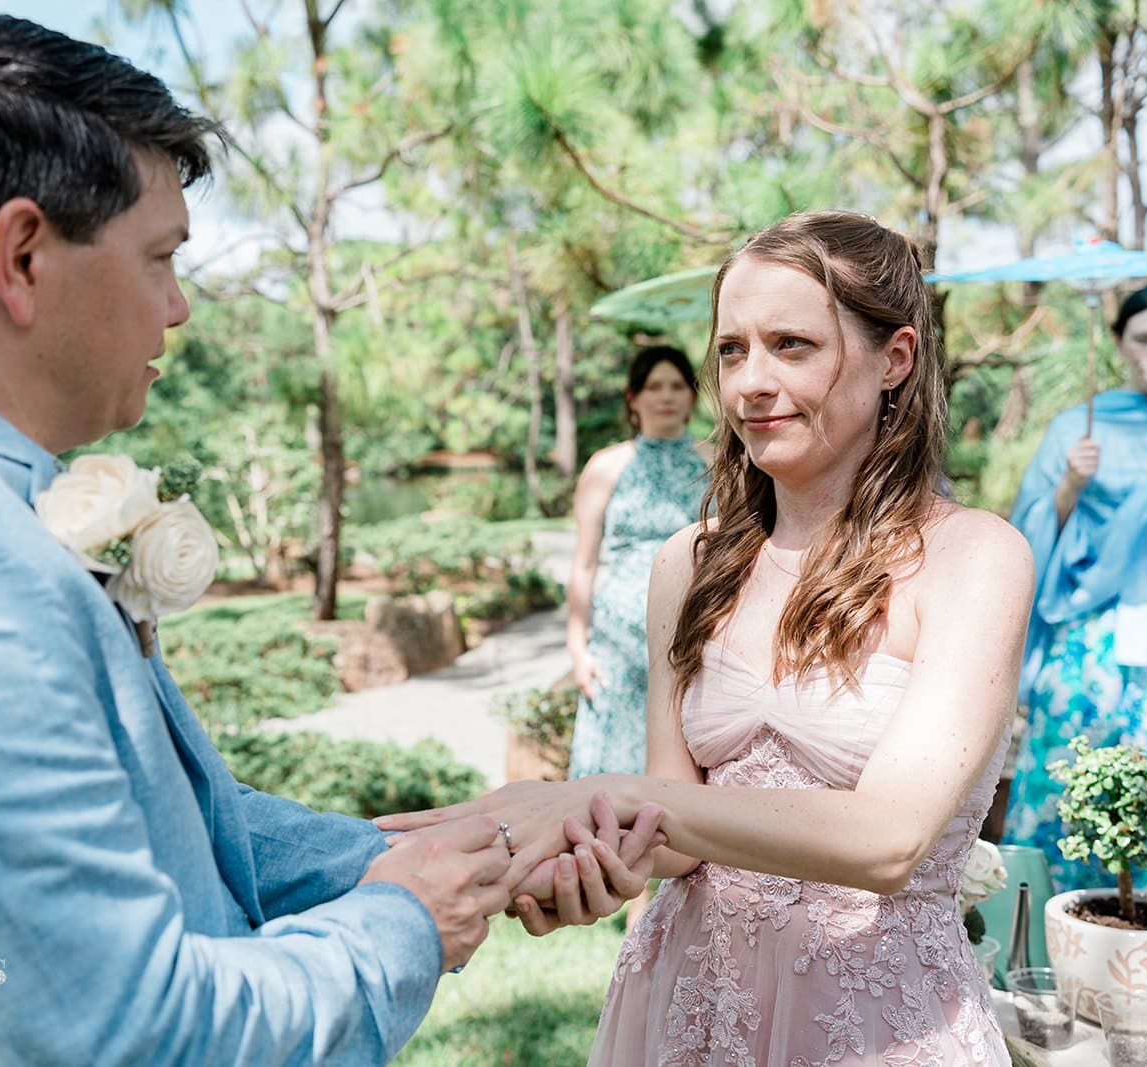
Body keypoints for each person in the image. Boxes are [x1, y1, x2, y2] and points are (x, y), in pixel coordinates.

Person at [0, 18, 654, 1065]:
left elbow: (166, 830)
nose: (178, 307)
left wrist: (460, 854)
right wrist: (407, 919)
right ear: (22, 256)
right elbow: (126, 1036)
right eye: (160, 257)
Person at [382, 210, 1033, 1064]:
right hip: (688, 1002)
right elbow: (677, 823)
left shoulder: (974, 557)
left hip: (877, 1024)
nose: (751, 383)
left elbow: (888, 838)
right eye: (732, 350)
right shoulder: (687, 564)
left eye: (792, 345)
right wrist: (585, 856)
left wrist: (600, 793)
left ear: (896, 358)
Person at [1002, 282, 1147, 894]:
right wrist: (1068, 487)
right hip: (1091, 634)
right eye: (1143, 338)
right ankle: (1051, 921)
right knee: (1068, 771)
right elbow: (1025, 535)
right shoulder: (1079, 424)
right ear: (1117, 342)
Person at [566, 346, 709, 780]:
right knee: (606, 782)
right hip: (617, 646)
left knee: (679, 781)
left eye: (676, 386)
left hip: (693, 641)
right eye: (654, 386)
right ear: (633, 397)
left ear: (691, 396)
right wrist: (577, 648)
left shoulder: (715, 462)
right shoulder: (606, 466)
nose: (666, 396)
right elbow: (584, 564)